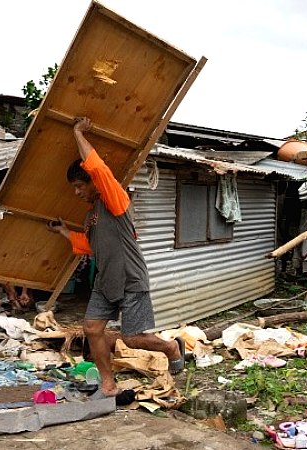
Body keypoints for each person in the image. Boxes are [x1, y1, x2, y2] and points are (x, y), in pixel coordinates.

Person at [48, 117, 184, 403]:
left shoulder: (114, 200)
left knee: (133, 338)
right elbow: (91, 245)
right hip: (106, 282)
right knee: (92, 328)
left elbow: (98, 168)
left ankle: (172, 347)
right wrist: (63, 232)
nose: (76, 192)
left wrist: (78, 133)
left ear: (92, 183)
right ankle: (108, 386)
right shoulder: (90, 216)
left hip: (130, 277)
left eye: (78, 186)